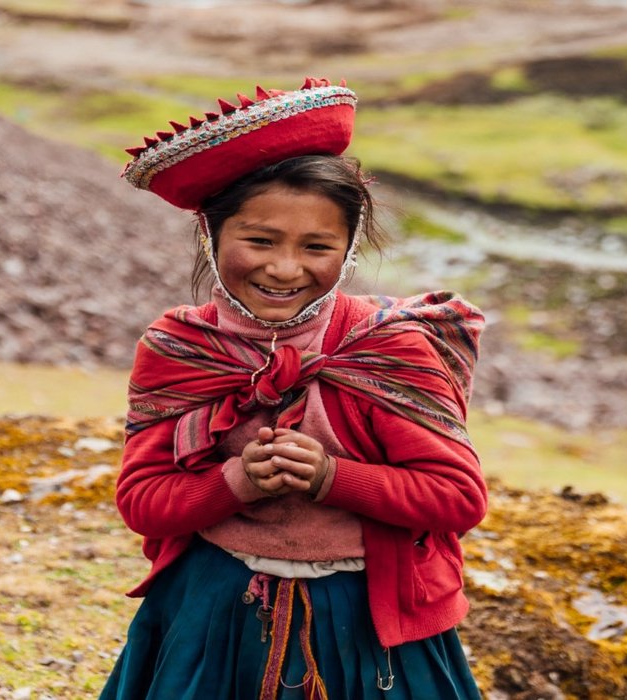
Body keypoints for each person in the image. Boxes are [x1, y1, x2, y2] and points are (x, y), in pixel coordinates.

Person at [101, 77, 487, 700]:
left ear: (349, 248)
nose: (284, 269)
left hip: (364, 623)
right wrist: (237, 483)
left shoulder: (386, 349)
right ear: (212, 236)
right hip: (213, 613)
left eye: (317, 247)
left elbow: (457, 498)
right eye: (258, 241)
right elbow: (144, 502)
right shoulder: (180, 350)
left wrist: (331, 477)